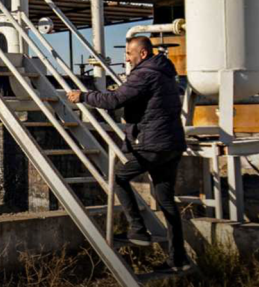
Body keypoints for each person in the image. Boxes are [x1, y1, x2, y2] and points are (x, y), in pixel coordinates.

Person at [66, 36, 189, 271]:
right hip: (172, 144)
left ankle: (138, 229)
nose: (127, 59)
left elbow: (115, 100)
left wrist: (83, 96)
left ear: (142, 53)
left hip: (152, 144)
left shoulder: (144, 74)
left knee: (119, 178)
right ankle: (177, 258)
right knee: (166, 200)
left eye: (129, 54)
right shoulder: (164, 72)